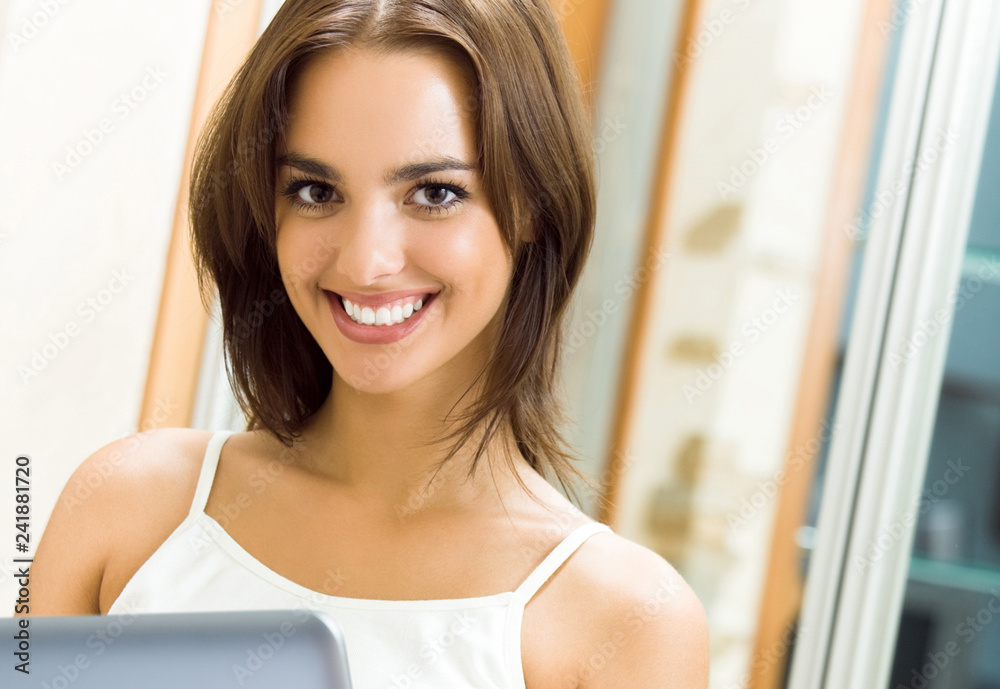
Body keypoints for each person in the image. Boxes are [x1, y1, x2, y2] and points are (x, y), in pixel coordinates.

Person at [27, 1, 709, 687]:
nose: (365, 261)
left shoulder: (623, 622)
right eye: (316, 190)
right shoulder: (127, 509)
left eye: (435, 192)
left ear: (533, 199)